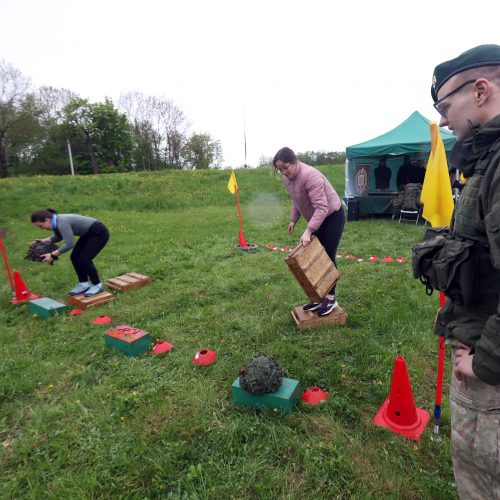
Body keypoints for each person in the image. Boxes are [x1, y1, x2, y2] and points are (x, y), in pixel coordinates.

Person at [430, 44, 500, 499]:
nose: (442, 120)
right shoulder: (488, 160)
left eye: (444, 105)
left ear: (480, 90)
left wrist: (486, 360)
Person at [273, 147, 344, 316]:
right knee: (314, 256)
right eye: (279, 169)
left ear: (294, 160)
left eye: (285, 167)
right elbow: (296, 201)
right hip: (318, 218)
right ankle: (319, 297)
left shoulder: (310, 176)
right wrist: (293, 220)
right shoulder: (288, 179)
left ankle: (331, 299)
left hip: (332, 216)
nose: (283, 172)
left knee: (326, 256)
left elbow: (321, 207)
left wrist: (308, 230)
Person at [31, 209, 109, 297]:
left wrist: (52, 255)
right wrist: (43, 241)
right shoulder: (55, 221)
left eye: (41, 226)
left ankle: (97, 285)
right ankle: (84, 284)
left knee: (85, 260)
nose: (41, 229)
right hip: (88, 234)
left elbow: (69, 244)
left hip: (99, 233)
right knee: (75, 257)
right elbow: (59, 236)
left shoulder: (62, 222)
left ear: (47, 220)